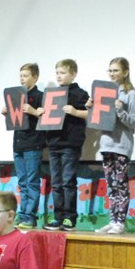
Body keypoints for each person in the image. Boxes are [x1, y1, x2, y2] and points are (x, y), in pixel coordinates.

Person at [88, 57, 135, 235]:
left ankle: (120, 222)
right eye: (110, 70)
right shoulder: (103, 93)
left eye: (116, 70)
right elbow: (97, 120)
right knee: (111, 185)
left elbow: (134, 122)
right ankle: (112, 220)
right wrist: (91, 108)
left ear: (125, 72)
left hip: (121, 146)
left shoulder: (131, 94)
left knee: (121, 184)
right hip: (106, 145)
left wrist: (120, 111)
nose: (112, 74)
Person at [43, 59, 89, 231]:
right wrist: (41, 112)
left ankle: (70, 217)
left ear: (73, 74)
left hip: (70, 142)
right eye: (57, 73)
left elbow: (91, 114)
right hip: (54, 143)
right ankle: (58, 217)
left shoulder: (80, 94)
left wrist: (75, 112)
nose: (59, 76)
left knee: (68, 181)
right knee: (56, 182)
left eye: (62, 73)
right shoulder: (52, 95)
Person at [2, 63, 44, 230]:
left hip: (33, 143)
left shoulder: (40, 96)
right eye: (21, 76)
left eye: (26, 76)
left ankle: (30, 216)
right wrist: (7, 112)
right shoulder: (16, 96)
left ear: (35, 77)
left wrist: (34, 111)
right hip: (18, 144)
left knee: (32, 181)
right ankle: (23, 214)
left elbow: (47, 115)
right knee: (23, 182)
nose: (22, 79)